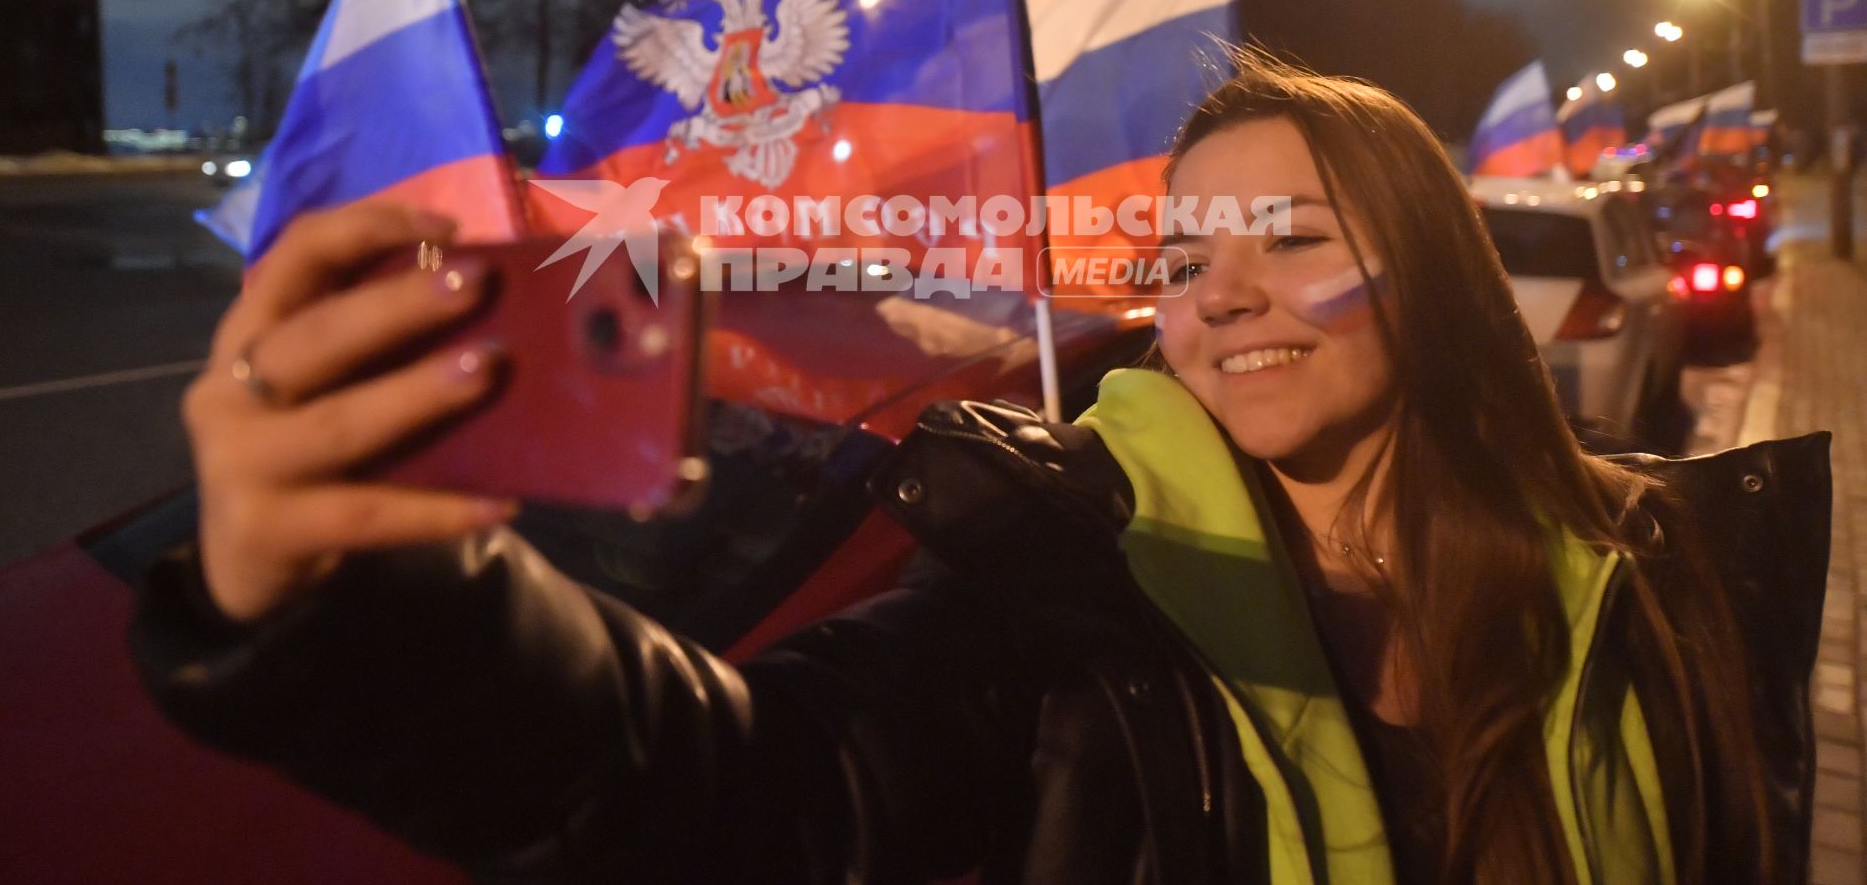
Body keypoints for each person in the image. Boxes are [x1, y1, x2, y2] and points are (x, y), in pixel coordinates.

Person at [131, 53, 1829, 884]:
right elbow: (733, 786)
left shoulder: (1664, 567)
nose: (1218, 286)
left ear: (1439, 277)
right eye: (1180, 258)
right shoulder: (1053, 604)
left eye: (1286, 234)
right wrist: (385, 612)